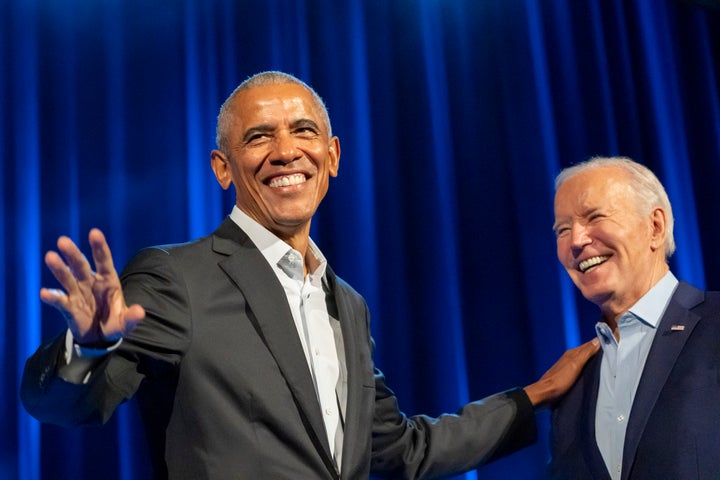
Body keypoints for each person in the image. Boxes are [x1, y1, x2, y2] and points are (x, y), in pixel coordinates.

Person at [21, 71, 598, 480]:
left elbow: (399, 449)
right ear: (223, 169)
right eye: (257, 137)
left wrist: (534, 396)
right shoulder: (178, 276)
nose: (284, 151)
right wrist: (89, 348)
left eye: (302, 131)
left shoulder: (345, 303)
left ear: (332, 156)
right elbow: (68, 407)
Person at [548, 156, 720, 479]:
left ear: (655, 227)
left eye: (595, 217)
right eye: (563, 229)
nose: (576, 241)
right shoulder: (570, 390)